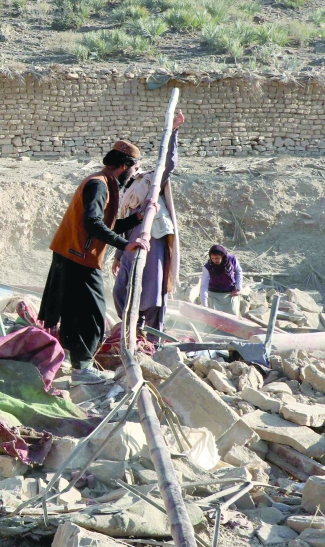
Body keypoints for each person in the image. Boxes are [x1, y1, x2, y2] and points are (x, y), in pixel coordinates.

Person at [39, 140, 151, 385]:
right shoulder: (99, 186)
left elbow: (105, 224)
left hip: (74, 255)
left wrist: (138, 218)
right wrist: (125, 245)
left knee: (74, 311)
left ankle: (78, 364)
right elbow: (93, 224)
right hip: (79, 258)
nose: (133, 176)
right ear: (124, 165)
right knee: (92, 314)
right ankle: (82, 370)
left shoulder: (103, 183)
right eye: (133, 170)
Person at [112, 111, 185, 340]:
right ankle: (131, 330)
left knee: (153, 292)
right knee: (120, 291)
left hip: (152, 239)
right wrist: (117, 254)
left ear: (136, 165)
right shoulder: (124, 189)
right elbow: (122, 223)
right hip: (129, 242)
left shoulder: (150, 180)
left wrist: (172, 133)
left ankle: (153, 338)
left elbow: (169, 164)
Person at [200, 244, 243, 315]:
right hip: (214, 296)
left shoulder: (232, 260)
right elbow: (204, 286)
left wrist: (238, 288)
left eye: (217, 258)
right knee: (214, 318)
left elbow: (239, 271)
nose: (214, 261)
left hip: (230, 294)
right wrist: (204, 305)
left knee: (233, 317)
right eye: (212, 258)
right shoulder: (207, 267)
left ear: (222, 255)